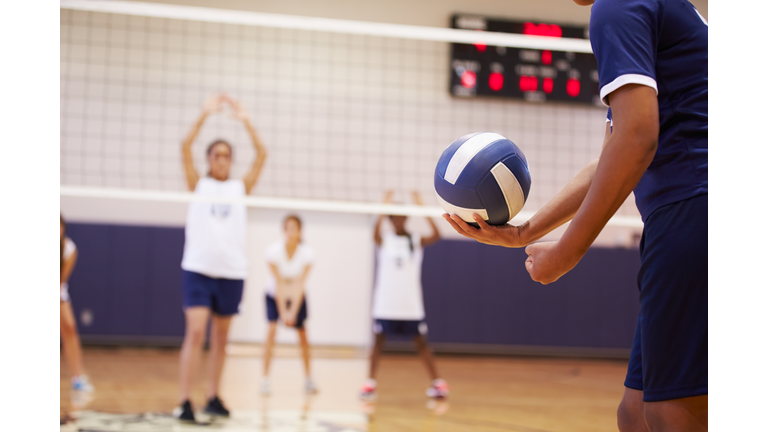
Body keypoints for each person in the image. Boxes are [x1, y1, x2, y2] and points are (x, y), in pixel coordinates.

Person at [443, 1, 707, 430]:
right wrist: (525, 231)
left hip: (693, 209)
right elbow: (612, 155)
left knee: (671, 414)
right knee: (636, 413)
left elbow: (638, 138)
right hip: (689, 212)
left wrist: (566, 253)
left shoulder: (617, 5)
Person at [174, 93, 268, 422]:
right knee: (196, 332)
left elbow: (263, 154)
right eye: (217, 155)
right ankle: (185, 400)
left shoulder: (240, 188)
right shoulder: (197, 184)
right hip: (199, 270)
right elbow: (184, 147)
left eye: (227, 155)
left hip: (231, 272)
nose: (222, 160)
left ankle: (213, 395)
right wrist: (204, 115)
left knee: (222, 338)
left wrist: (246, 120)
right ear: (209, 159)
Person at [360, 191, 448, 401]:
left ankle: (438, 384)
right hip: (385, 305)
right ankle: (370, 384)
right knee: (378, 344)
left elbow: (437, 235)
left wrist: (423, 208)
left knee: (421, 345)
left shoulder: (415, 240)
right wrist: (384, 206)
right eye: (394, 217)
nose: (398, 220)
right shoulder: (385, 239)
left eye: (401, 216)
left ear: (406, 218)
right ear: (390, 220)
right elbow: (374, 234)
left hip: (410, 306)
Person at [260, 214, 317, 396]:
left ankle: (309, 380)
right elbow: (278, 282)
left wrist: (292, 311)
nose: (291, 232)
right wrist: (283, 311)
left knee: (303, 337)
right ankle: (265, 380)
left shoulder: (307, 253)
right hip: (274, 295)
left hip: (296, 297)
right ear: (283, 230)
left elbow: (300, 283)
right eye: (288, 228)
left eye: (295, 228)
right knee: (271, 332)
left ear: (300, 231)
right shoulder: (273, 251)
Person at [60, 215, 95, 400]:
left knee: (70, 329)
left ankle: (77, 378)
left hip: (58, 292)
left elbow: (60, 280)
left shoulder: (69, 248)